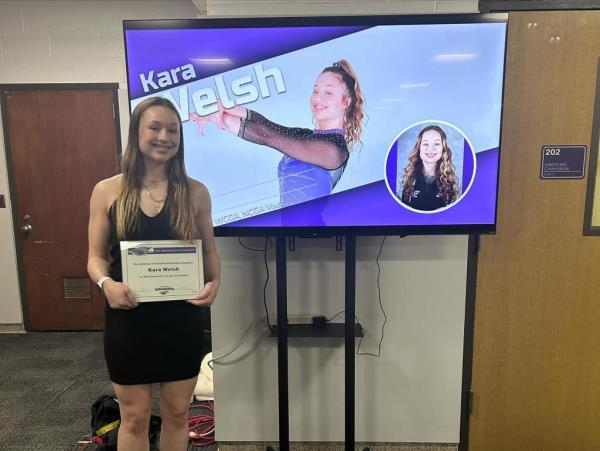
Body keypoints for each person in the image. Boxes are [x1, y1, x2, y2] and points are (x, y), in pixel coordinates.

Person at [87, 96, 220, 451]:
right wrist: (106, 283)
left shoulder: (195, 193)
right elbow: (95, 257)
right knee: (134, 417)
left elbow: (209, 251)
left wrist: (214, 283)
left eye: (173, 130)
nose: (165, 136)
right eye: (155, 127)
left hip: (181, 320)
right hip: (129, 322)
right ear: (137, 134)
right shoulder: (107, 191)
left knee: (178, 414)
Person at [191, 59, 365, 208]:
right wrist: (232, 110)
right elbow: (269, 126)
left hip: (311, 235)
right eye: (315, 91)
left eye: (328, 92)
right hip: (287, 231)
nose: (318, 98)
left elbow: (270, 136)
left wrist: (220, 119)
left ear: (346, 102)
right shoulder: (307, 135)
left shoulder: (333, 149)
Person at [399, 125, 460, 211]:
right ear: (419, 147)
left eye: (437, 144)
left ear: (443, 148)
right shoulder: (410, 182)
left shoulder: (450, 184)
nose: (431, 149)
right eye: (426, 143)